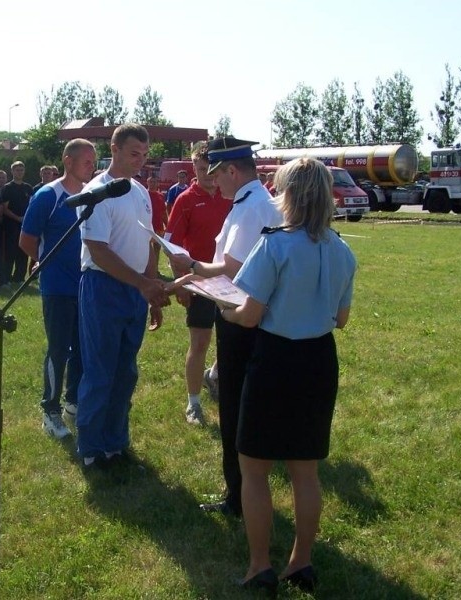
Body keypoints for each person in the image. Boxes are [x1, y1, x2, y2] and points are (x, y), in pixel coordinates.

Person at [187, 157, 356, 593]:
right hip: (319, 361)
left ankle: (260, 564)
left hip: (275, 360)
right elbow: (342, 319)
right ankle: (300, 561)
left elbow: (249, 314)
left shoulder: (274, 245)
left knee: (255, 468)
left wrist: (222, 302)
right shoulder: (342, 249)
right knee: (306, 471)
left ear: (289, 197)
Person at [170, 136, 282, 517]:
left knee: (235, 408)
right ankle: (241, 490)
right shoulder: (252, 202)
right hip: (245, 312)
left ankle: (238, 496)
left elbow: (233, 267)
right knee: (241, 405)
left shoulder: (251, 208)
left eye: (217, 175)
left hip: (240, 317)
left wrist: (195, 269)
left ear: (232, 171)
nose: (213, 183)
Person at [76, 123, 169, 469]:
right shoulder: (97, 192)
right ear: (113, 149)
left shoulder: (140, 192)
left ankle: (115, 445)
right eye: (134, 154)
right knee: (100, 370)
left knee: (125, 371)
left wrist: (151, 289)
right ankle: (91, 449)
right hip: (102, 288)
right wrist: (141, 284)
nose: (140, 161)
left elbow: (146, 243)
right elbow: (98, 250)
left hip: (133, 291)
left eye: (144, 155)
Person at [19, 138, 97, 440]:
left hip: (86, 286)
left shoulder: (92, 195)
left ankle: (73, 402)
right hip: (57, 288)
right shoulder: (47, 196)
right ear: (68, 161)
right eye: (87, 161)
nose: (92, 166)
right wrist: (46, 263)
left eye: (94, 161)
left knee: (82, 348)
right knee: (59, 349)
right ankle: (49, 410)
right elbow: (26, 240)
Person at [165, 141, 233, 424]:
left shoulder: (231, 194)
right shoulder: (185, 199)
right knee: (200, 342)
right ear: (192, 167)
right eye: (201, 168)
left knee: (231, 340)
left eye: (211, 169)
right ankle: (193, 403)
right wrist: (179, 283)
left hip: (231, 281)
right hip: (199, 282)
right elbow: (172, 246)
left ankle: (214, 375)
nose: (207, 174)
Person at [1, 161, 34, 283]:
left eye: (21, 170)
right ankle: (6, 278)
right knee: (10, 252)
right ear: (12, 171)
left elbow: (32, 205)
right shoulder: (7, 188)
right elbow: (4, 208)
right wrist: (17, 218)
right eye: (17, 170)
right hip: (11, 226)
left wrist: (26, 218)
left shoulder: (28, 188)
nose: (19, 172)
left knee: (23, 252)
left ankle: (19, 278)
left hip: (25, 225)